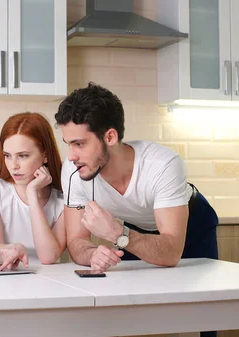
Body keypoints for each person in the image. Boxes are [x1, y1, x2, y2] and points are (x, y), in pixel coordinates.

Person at [56, 83, 219, 336]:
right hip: (130, 228)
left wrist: (118, 233)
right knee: (134, 314)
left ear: (109, 137)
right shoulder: (75, 171)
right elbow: (76, 240)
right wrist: (92, 254)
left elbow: (171, 251)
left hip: (190, 223)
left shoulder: (163, 165)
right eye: (68, 144)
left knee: (201, 315)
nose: (71, 156)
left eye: (79, 144)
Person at [0, 112, 66, 271]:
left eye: (23, 156)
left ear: (45, 155)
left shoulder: (62, 200)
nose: (13, 165)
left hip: (47, 282)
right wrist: (10, 250)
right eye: (7, 156)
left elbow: (48, 256)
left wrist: (32, 195)